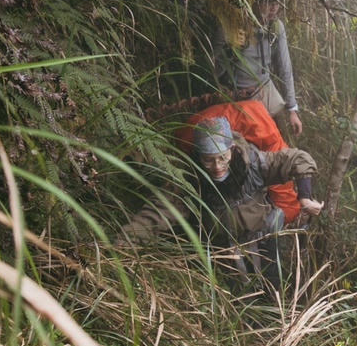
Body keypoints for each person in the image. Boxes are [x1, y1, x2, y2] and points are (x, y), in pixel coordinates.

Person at [123, 115, 320, 296]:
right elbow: (155, 215)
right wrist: (121, 246)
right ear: (198, 155)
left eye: (222, 158)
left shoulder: (253, 163)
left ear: (232, 150)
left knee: (273, 289)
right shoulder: (190, 178)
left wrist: (304, 197)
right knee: (239, 297)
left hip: (263, 240)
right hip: (223, 250)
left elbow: (299, 159)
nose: (217, 167)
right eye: (208, 160)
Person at [212, 0, 304, 144]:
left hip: (266, 89)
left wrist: (292, 109)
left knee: (282, 141)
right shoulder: (231, 24)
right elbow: (212, 72)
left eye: (277, 1)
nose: (274, 7)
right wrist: (229, 48)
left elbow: (285, 68)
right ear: (255, 0)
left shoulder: (275, 27)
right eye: (268, 1)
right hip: (237, 96)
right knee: (250, 146)